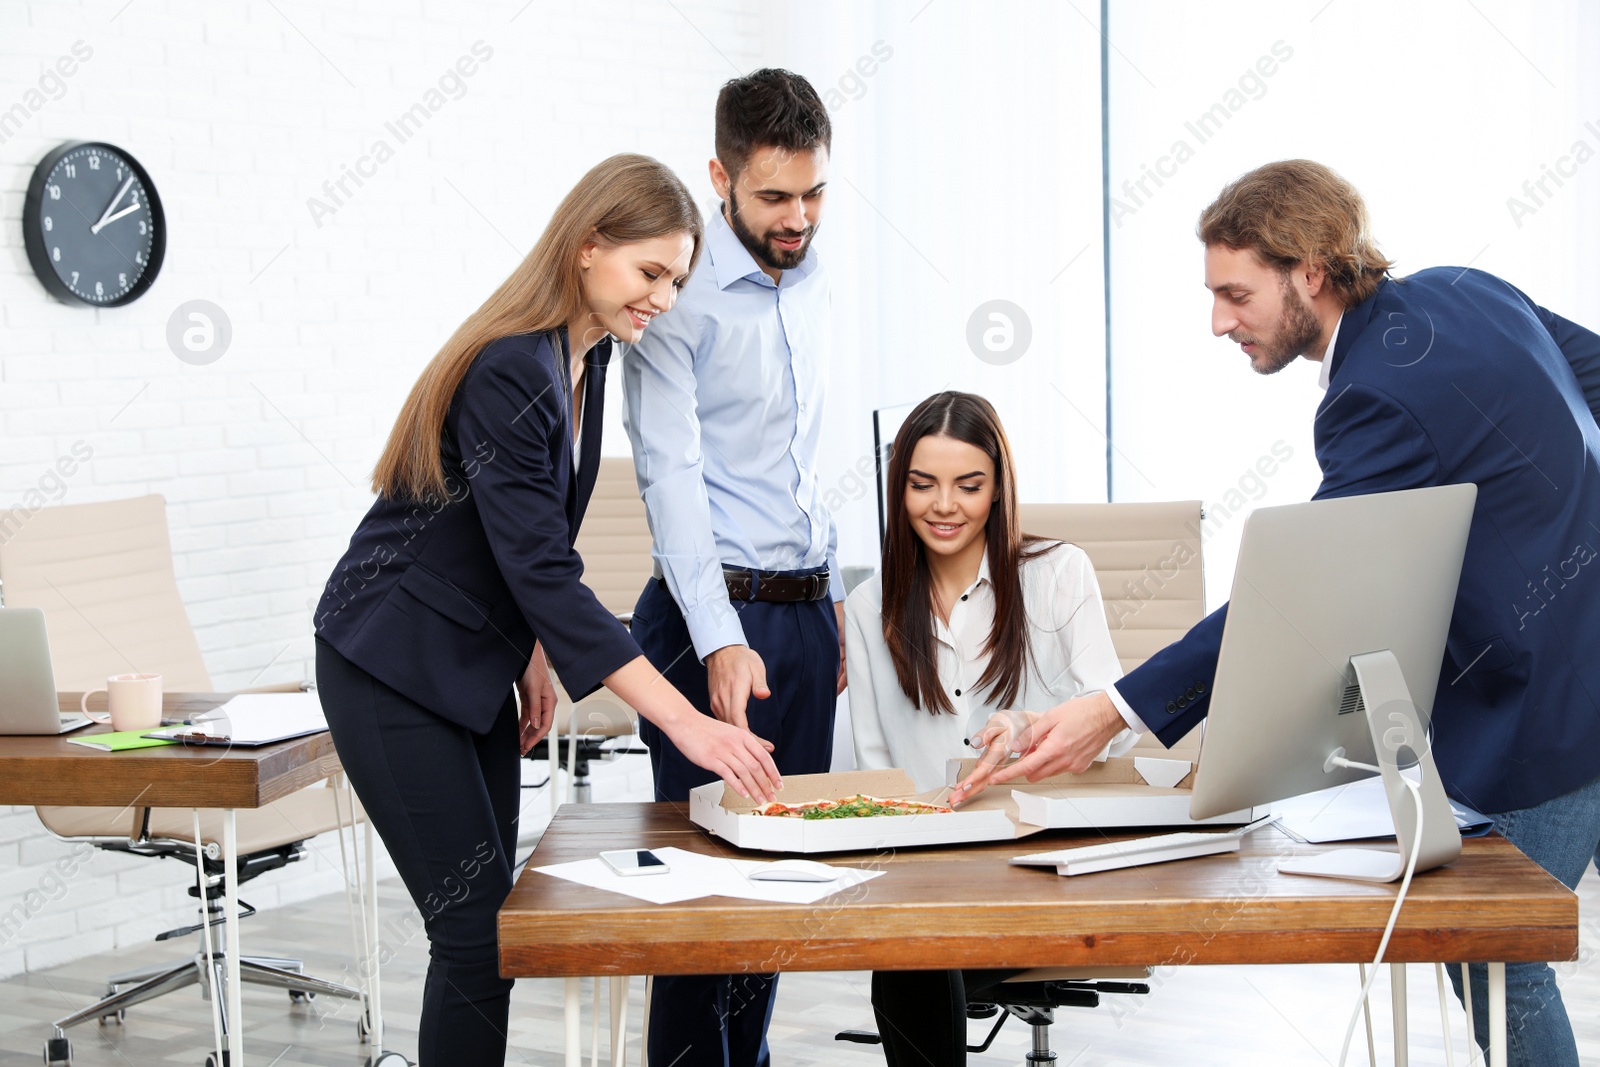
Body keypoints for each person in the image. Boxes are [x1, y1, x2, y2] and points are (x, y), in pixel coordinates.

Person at [953, 159, 1600, 1067]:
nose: (1219, 320)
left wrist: (1114, 706)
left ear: (1311, 270)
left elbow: (1294, 594)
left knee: (1496, 952)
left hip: (1549, 712)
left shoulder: (1369, 395)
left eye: (1235, 293)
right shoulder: (1470, 289)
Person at [311, 154, 782, 1067]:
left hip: (468, 665)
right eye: (651, 274)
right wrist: (685, 721)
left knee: (499, 935)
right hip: (388, 663)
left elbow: (527, 547)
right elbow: (547, 572)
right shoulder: (512, 369)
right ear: (586, 248)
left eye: (679, 280)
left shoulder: (588, 360)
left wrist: (527, 651)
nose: (666, 299)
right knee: (475, 938)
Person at [621, 69, 841, 1067]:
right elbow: (671, 479)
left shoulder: (820, 281)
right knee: (705, 899)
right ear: (720, 177)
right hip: (706, 621)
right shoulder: (676, 298)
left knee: (775, 888)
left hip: (801, 615)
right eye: (773, 198)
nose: (797, 218)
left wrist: (837, 603)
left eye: (813, 193)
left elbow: (820, 463)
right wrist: (719, 636)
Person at [846, 391, 1130, 1066]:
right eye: (922, 484)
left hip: (1040, 863)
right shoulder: (867, 604)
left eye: (968, 485)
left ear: (998, 488)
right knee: (914, 951)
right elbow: (876, 764)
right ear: (898, 489)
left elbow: (1117, 727)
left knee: (915, 960)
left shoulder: (1059, 573)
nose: (944, 505)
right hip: (928, 874)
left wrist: (1031, 728)